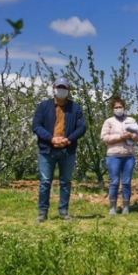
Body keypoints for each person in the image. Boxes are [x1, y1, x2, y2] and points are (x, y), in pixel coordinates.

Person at [32, 76, 87, 223]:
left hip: (67, 150)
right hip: (47, 150)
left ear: (68, 90)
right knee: (45, 182)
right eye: (59, 87)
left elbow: (82, 127)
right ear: (53, 88)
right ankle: (42, 212)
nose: (61, 90)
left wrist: (68, 139)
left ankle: (63, 211)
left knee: (66, 181)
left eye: (64, 88)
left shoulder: (75, 108)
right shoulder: (44, 106)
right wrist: (51, 138)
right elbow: (36, 126)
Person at [100, 97, 138, 215]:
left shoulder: (131, 120)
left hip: (128, 156)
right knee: (114, 182)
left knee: (127, 182)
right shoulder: (109, 122)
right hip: (114, 156)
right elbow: (104, 138)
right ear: (113, 109)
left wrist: (132, 136)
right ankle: (112, 207)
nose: (119, 109)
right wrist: (120, 137)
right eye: (116, 107)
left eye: (120, 107)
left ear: (124, 108)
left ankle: (125, 207)